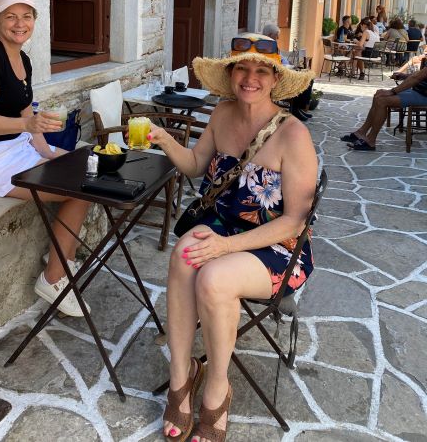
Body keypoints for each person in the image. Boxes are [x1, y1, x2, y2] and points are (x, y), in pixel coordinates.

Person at [150, 34, 318, 442]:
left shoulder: (293, 135)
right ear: (230, 74)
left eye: (262, 71)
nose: (250, 78)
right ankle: (181, 377)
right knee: (183, 256)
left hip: (279, 247)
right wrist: (165, 139)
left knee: (214, 278)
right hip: (225, 231)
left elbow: (295, 221)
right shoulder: (222, 114)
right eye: (242, 68)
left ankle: (217, 390)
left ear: (276, 80)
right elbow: (195, 166)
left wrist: (225, 246)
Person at [0, 0, 91, 317]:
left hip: (11, 148)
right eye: (10, 16)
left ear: (34, 21)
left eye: (26, 16)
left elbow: (28, 116)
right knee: (79, 190)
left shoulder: (22, 58)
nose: (19, 23)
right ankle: (53, 277)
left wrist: (51, 153)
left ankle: (60, 256)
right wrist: (28, 128)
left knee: (83, 175)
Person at [342, 64, 427, 151]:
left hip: (424, 95)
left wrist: (393, 91)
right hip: (419, 91)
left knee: (382, 100)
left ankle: (370, 140)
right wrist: (405, 76)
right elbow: (421, 74)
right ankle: (361, 132)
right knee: (378, 95)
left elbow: (418, 77)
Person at [261, 22, 313, 121]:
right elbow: (273, 62)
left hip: (282, 71)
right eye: (276, 36)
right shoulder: (264, 46)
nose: (278, 39)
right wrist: (286, 65)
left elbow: (280, 57)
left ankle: (297, 108)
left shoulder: (272, 45)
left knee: (308, 78)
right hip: (276, 76)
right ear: (270, 35)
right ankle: (296, 109)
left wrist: (288, 63)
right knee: (302, 79)